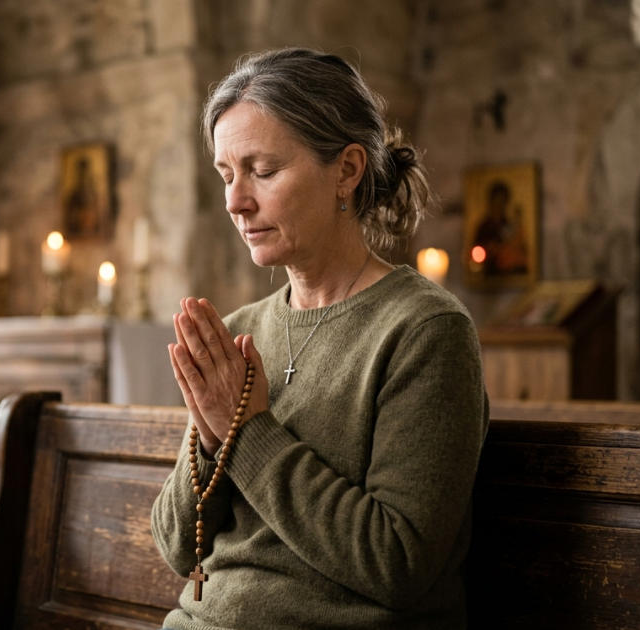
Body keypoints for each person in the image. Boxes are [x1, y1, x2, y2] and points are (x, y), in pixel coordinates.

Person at [150, 48, 489, 630]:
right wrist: (209, 444)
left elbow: (398, 563)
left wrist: (249, 431)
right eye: (227, 175)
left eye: (263, 170)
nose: (235, 201)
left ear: (347, 170)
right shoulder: (237, 332)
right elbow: (178, 548)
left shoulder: (424, 331)